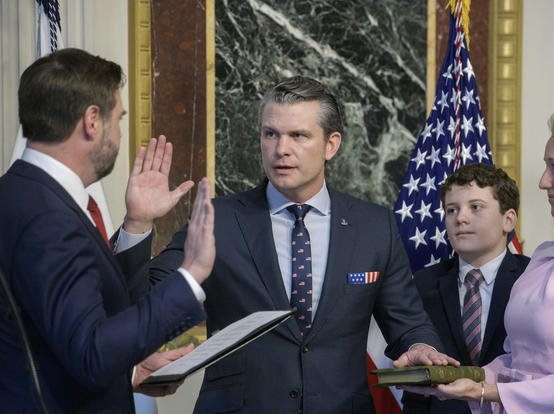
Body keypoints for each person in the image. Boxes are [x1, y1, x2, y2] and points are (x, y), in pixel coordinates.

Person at [142, 76, 458, 414]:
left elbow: (407, 322)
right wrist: (138, 224)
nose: (281, 149)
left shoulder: (374, 226)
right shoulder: (219, 218)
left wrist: (423, 347)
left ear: (331, 145)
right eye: (271, 134)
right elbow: (147, 296)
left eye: (299, 135)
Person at [0, 48, 216, 413]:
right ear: (92, 120)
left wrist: (137, 223)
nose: (118, 133)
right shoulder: (48, 218)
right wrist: (190, 276)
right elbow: (92, 353)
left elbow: (53, 343)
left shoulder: (19, 193)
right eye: (118, 119)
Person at [404, 111, 554, 413]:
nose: (544, 181)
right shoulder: (547, 254)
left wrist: (484, 391)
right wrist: (458, 379)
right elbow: (514, 359)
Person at [402, 163, 530, 414]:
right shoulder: (423, 283)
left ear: (508, 219)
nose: (460, 217)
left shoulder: (533, 278)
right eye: (452, 210)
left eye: (475, 207)